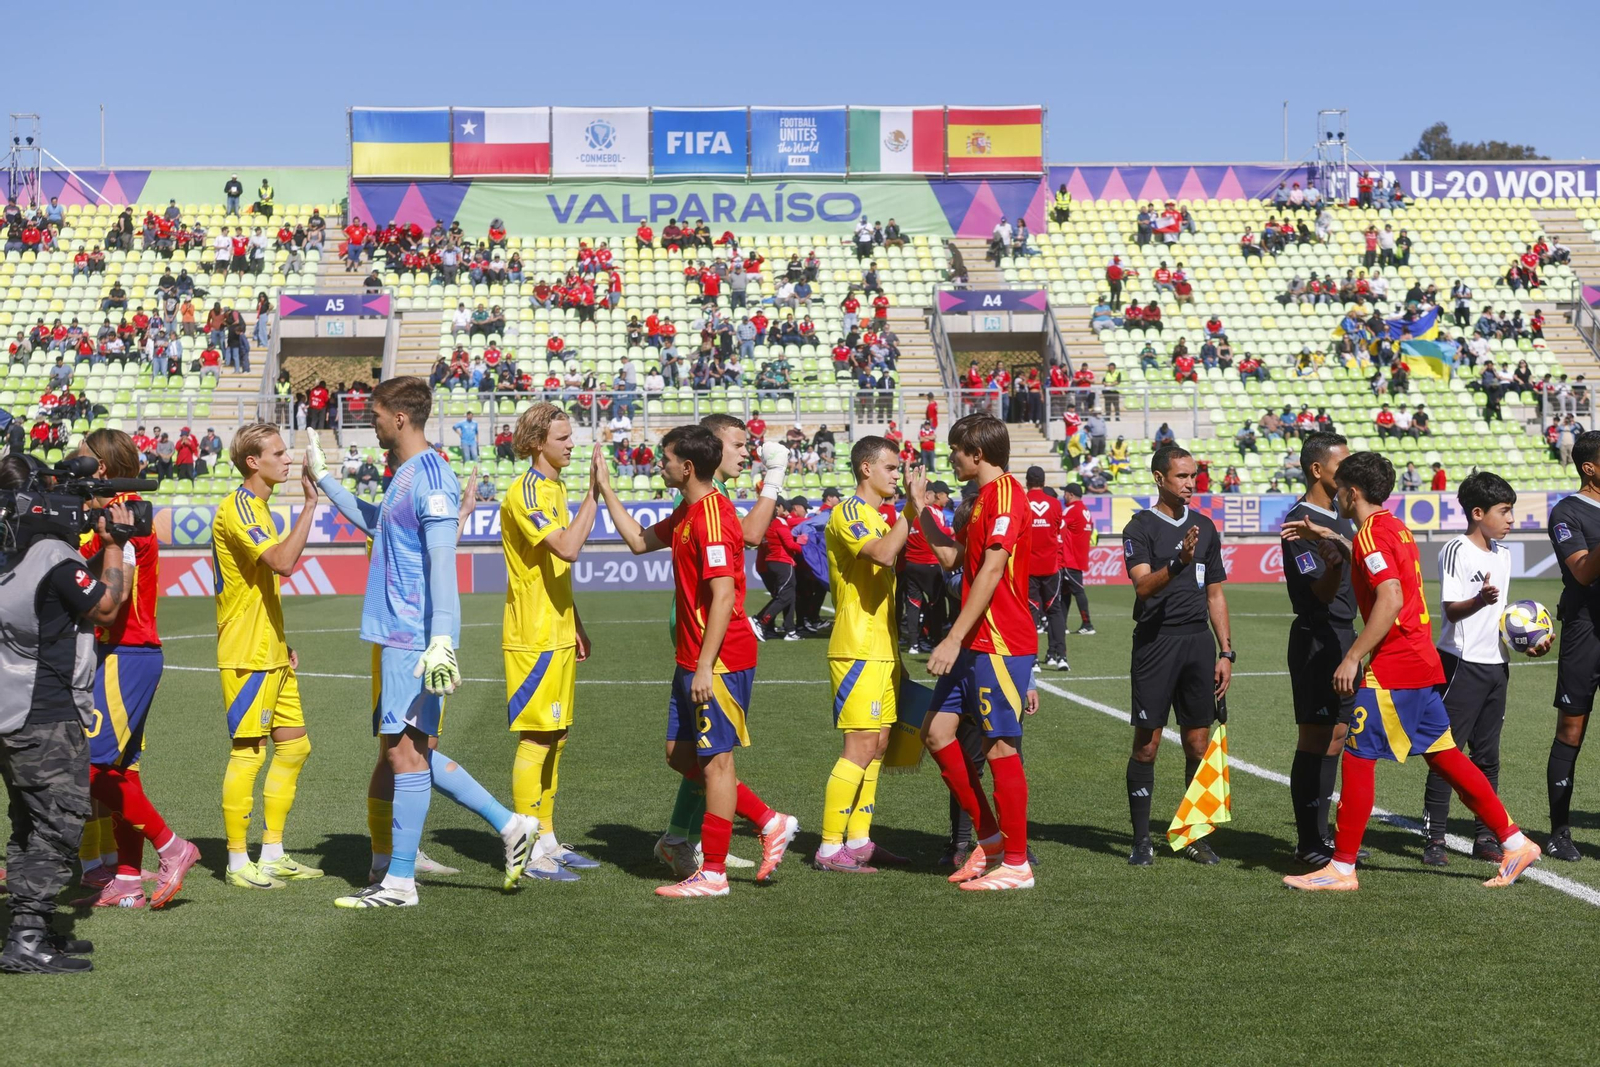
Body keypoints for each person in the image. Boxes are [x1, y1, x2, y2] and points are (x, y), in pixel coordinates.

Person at [316, 381, 536, 910]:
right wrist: (325, 481)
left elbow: (443, 562)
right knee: (406, 751)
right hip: (399, 633)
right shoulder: (406, 473)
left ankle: (399, 883)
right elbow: (377, 523)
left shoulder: (431, 475)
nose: (370, 422)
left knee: (405, 755)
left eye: (374, 414)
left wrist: (441, 641)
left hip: (414, 636)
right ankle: (510, 825)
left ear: (398, 417)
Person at [1283, 452, 1541, 892]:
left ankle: (1341, 868)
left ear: (1352, 492)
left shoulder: (1369, 534)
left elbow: (1389, 596)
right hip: (1421, 661)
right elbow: (1381, 568)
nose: (1337, 496)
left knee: (1359, 758)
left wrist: (1354, 656)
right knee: (1446, 756)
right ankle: (1514, 840)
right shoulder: (1392, 526)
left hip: (1394, 666)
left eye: (1341, 489)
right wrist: (1329, 535)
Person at [596, 424, 798, 897]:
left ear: (686, 467)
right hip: (693, 656)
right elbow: (639, 542)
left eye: (664, 459)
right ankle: (770, 821)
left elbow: (725, 596)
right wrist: (605, 489)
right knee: (680, 756)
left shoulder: (710, 517)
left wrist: (706, 665)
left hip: (721, 661)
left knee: (716, 764)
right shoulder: (690, 510)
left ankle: (714, 873)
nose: (659, 465)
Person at [0, 455, 134, 973]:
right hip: (45, 712)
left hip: (10, 709)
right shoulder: (53, 556)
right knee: (57, 826)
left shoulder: (9, 552)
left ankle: (31, 925)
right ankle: (27, 935)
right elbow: (104, 607)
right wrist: (115, 546)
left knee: (27, 824)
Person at [905, 414, 1037, 891]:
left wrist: (952, 636)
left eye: (956, 451)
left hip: (999, 641)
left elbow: (992, 571)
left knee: (998, 745)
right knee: (937, 733)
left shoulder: (1006, 497)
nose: (952, 458)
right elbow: (956, 559)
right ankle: (991, 840)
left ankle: (1017, 864)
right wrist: (920, 508)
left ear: (977, 453)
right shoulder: (982, 500)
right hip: (977, 640)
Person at [69, 431, 199, 911]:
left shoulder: (123, 516)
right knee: (124, 770)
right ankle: (126, 877)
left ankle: (172, 847)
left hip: (125, 651)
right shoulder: (108, 512)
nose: (73, 463)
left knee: (91, 767)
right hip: (121, 653)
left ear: (100, 466)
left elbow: (114, 596)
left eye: (81, 457)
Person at [212, 424, 323, 889]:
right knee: (249, 754)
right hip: (246, 654)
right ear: (252, 462)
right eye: (278, 453)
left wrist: (282, 640)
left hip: (271, 651)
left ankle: (273, 851)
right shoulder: (239, 507)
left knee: (295, 745)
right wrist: (311, 506)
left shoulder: (259, 508)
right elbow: (281, 562)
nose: (288, 459)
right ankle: (238, 862)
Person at [499, 403, 602, 882]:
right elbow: (567, 548)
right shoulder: (525, 491)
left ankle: (547, 840)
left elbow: (557, 569)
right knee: (537, 737)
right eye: (563, 438)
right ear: (538, 441)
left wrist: (575, 620)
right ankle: (524, 850)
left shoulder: (554, 488)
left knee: (556, 738)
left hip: (557, 630)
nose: (571, 444)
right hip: (532, 635)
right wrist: (595, 498)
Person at [1121, 445, 1234, 867]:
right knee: (1147, 745)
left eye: (1193, 476)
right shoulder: (1139, 528)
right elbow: (1143, 587)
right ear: (1159, 478)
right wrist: (1178, 561)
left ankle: (1192, 835)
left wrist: (1226, 651)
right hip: (1156, 644)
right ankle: (1140, 840)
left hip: (1198, 645)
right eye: (1181, 477)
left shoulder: (1205, 526)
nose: (1190, 484)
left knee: (1197, 743)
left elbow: (1216, 593)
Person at [1420, 473, 1537, 867]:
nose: (1511, 519)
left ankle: (1486, 835)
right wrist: (1479, 600)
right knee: (1445, 751)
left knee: (1487, 756)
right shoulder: (1455, 549)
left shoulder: (1502, 555)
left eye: (1512, 510)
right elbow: (1451, 609)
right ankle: (1434, 838)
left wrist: (1529, 641)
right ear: (1477, 513)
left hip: (1496, 666)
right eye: (1504, 511)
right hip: (1460, 664)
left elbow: (1503, 617)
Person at [813, 437, 916, 873]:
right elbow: (883, 554)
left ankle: (858, 840)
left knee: (878, 746)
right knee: (858, 747)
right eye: (891, 468)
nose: (897, 475)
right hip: (855, 648)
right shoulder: (849, 512)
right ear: (865, 469)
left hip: (881, 650)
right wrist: (913, 508)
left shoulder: (878, 516)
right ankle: (827, 847)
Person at [1278, 433, 1356, 866]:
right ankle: (1308, 841)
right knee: (1314, 737)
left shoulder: (1340, 516)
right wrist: (1335, 563)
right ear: (1317, 470)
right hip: (1315, 636)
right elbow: (1320, 592)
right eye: (1340, 465)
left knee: (1338, 737)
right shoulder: (1298, 522)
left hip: (1345, 635)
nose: (1346, 473)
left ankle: (1322, 836)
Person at [901, 479, 952, 653]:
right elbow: (940, 534)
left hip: (911, 564)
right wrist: (956, 531)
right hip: (929, 564)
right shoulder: (931, 512)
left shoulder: (909, 512)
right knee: (935, 603)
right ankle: (936, 640)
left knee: (913, 604)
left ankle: (913, 643)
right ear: (930, 495)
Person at [1025, 466, 1068, 672]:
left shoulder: (1021, 502)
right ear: (1043, 481)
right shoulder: (1055, 504)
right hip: (1051, 566)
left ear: (1027, 481)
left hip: (1028, 567)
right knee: (1055, 611)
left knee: (1031, 612)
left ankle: (1032, 659)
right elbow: (1059, 531)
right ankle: (1060, 657)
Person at [755, 494, 806, 641]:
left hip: (770, 563)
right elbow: (789, 544)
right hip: (782, 561)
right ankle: (761, 621)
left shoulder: (766, 523)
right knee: (785, 596)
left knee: (786, 596)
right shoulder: (779, 521)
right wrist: (804, 547)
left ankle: (788, 629)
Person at [1059, 482, 1095, 635]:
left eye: (1065, 493)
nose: (1063, 496)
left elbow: (1058, 528)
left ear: (1071, 495)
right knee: (1065, 592)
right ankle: (1063, 625)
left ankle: (1087, 624)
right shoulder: (1085, 510)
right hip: (1079, 557)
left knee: (1077, 591)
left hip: (1069, 558)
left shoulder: (1071, 511)